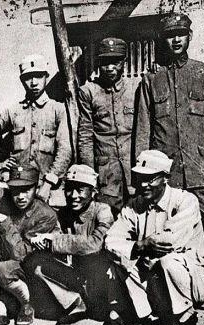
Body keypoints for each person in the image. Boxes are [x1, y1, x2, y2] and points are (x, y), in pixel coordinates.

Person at [134, 13, 204, 316]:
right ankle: (176, 298)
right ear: (162, 40)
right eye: (170, 35)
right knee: (168, 232)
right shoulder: (151, 80)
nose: (176, 39)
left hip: (201, 170)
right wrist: (142, 173)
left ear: (189, 36)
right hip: (168, 175)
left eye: (181, 33)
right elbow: (143, 130)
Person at [105, 150, 204, 325]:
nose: (144, 184)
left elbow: (169, 242)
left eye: (150, 179)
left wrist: (142, 248)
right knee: (118, 259)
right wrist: (139, 246)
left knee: (168, 260)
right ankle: (145, 313)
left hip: (193, 280)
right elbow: (110, 241)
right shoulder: (134, 205)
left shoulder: (185, 200)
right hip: (156, 279)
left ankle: (185, 311)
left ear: (166, 178)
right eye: (140, 178)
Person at [20, 165, 115, 325]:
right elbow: (53, 235)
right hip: (76, 273)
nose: (74, 196)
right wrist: (42, 241)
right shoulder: (63, 214)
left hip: (100, 276)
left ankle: (111, 308)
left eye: (80, 190)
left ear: (93, 192)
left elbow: (95, 244)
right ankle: (76, 304)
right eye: (69, 189)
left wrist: (54, 241)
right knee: (36, 263)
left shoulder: (103, 211)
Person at [0, 167, 60, 325]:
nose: (20, 196)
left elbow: (20, 253)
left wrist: (4, 221)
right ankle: (0, 313)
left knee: (2, 269)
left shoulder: (46, 214)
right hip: (4, 255)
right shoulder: (1, 196)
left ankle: (27, 305)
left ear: (36, 187)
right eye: (15, 190)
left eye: (26, 190)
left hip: (28, 267)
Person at [0, 54, 71, 202]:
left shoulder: (58, 110)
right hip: (17, 188)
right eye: (28, 78)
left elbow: (65, 151)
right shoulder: (13, 111)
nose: (34, 83)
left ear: (46, 77)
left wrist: (48, 183)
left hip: (47, 188)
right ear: (21, 80)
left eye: (38, 76)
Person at [77, 38, 136, 214]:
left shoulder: (136, 88)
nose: (110, 68)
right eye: (105, 63)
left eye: (115, 62)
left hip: (134, 170)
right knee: (108, 219)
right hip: (106, 174)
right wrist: (90, 175)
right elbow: (85, 136)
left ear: (124, 63)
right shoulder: (88, 91)